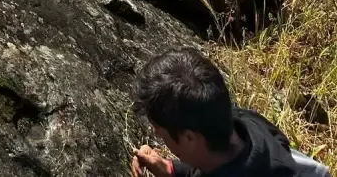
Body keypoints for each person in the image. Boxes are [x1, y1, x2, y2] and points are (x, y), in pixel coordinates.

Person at [131, 49, 330, 177]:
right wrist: (170, 170)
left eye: (160, 131)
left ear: (190, 137)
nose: (157, 134)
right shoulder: (242, 122)